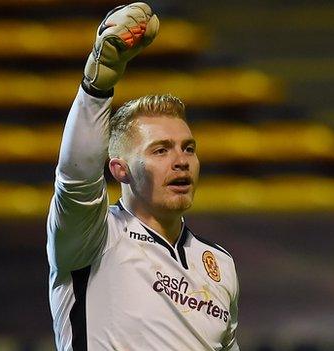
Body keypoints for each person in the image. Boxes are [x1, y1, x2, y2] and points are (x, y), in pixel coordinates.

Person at [46, 3, 239, 350]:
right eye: (161, 150)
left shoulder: (220, 265)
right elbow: (74, 179)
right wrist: (99, 82)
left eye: (188, 148)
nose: (181, 161)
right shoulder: (93, 238)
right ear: (120, 169)